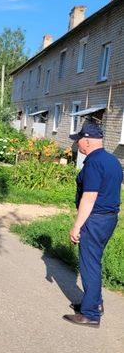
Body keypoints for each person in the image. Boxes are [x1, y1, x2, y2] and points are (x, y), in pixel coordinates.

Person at [63, 122, 122, 328]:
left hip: (95, 219)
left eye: (78, 140)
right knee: (94, 261)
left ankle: (90, 314)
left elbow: (89, 197)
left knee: (89, 264)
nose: (77, 143)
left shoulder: (94, 162)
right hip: (109, 218)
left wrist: (77, 226)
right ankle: (95, 304)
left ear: (87, 141)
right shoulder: (112, 160)